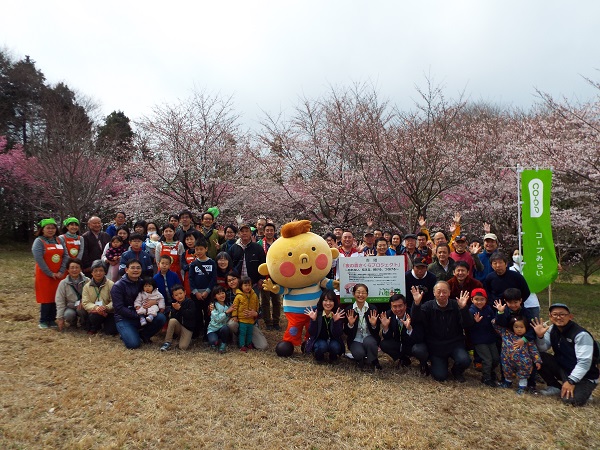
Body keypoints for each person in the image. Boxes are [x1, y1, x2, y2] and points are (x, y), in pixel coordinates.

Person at [532, 304, 599, 406]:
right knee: (538, 357)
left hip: (585, 375)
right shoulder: (552, 329)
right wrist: (540, 336)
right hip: (564, 368)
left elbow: (584, 363)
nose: (558, 317)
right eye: (555, 314)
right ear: (550, 317)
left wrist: (571, 381)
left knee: (571, 401)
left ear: (570, 316)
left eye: (562, 314)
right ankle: (554, 386)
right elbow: (543, 348)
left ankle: (585, 392)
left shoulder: (581, 335)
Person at [410, 281, 473, 382]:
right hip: (436, 346)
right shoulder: (428, 306)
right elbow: (416, 320)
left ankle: (456, 371)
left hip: (454, 344)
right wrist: (417, 304)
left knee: (465, 360)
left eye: (444, 292)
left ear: (449, 292)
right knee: (440, 376)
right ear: (434, 293)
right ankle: (436, 363)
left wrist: (463, 309)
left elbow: (468, 324)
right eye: (438, 292)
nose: (441, 294)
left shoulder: (456, 305)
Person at [112, 259, 167, 349]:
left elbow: (156, 295)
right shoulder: (118, 286)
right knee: (133, 344)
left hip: (143, 314)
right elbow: (119, 308)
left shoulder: (143, 283)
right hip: (124, 318)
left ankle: (144, 334)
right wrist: (137, 314)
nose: (135, 270)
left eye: (138, 268)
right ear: (126, 270)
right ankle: (128, 333)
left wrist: (155, 302)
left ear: (141, 270)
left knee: (161, 317)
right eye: (132, 268)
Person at [493, 314, 542, 395]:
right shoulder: (506, 333)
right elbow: (495, 325)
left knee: (523, 374)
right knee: (507, 371)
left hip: (524, 363)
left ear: (526, 327)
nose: (519, 329)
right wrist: (499, 315)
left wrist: (537, 360)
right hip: (507, 360)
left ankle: (522, 387)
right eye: (516, 327)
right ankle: (507, 383)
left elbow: (534, 350)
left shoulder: (527, 339)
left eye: (522, 327)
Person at [32, 218, 67, 329]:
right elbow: (39, 259)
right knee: (46, 298)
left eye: (53, 228)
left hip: (59, 275)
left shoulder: (59, 240)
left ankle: (52, 319)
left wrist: (61, 271)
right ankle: (43, 320)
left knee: (56, 297)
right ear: (42, 230)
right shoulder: (39, 241)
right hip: (45, 275)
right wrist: (50, 273)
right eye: (48, 228)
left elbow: (65, 255)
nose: (51, 230)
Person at [380, 293, 425, 369]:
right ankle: (403, 359)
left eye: (400, 306)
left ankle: (423, 364)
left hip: (413, 344)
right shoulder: (389, 314)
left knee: (419, 349)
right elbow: (388, 337)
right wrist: (385, 328)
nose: (398, 309)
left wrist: (409, 329)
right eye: (394, 306)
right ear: (391, 307)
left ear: (405, 305)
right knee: (384, 344)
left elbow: (420, 338)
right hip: (400, 344)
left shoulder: (413, 314)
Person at [344, 284, 382, 370]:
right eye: (358, 292)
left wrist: (373, 325)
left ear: (367, 295)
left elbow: (376, 331)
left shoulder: (373, 309)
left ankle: (374, 360)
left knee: (370, 343)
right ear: (353, 294)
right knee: (359, 353)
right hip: (355, 339)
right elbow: (346, 332)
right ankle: (361, 360)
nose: (360, 295)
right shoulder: (349, 310)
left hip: (369, 337)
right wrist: (350, 325)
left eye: (363, 293)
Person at [469, 288, 500, 386]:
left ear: (486, 300)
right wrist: (474, 322)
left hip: (490, 338)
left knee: (495, 358)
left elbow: (493, 321)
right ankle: (486, 378)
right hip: (479, 340)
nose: (479, 302)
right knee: (487, 359)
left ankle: (490, 372)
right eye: (476, 299)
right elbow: (468, 327)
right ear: (472, 300)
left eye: (482, 299)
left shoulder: (488, 309)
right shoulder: (471, 311)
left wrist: (496, 319)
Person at [304, 290, 346, 363]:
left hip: (333, 339)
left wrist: (336, 322)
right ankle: (319, 357)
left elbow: (339, 334)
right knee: (322, 346)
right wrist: (313, 320)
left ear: (335, 302)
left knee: (335, 347)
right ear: (321, 301)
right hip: (319, 339)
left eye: (331, 301)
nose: (328, 303)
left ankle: (333, 357)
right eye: (325, 300)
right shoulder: (316, 312)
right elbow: (312, 333)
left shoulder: (338, 313)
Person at [189, 238, 217, 338]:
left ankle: (207, 332)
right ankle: (197, 331)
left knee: (208, 313)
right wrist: (196, 292)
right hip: (196, 294)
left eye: (201, 249)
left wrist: (207, 291)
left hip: (208, 294)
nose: (199, 251)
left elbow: (213, 279)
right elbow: (191, 279)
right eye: (196, 249)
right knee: (197, 313)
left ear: (206, 249)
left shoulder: (212, 263)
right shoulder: (193, 264)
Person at [228, 223, 266, 292]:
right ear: (239, 234)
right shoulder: (233, 248)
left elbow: (263, 263)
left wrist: (261, 279)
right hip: (237, 284)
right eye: (242, 231)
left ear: (250, 233)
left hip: (254, 284)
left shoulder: (257, 247)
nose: (244, 233)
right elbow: (229, 265)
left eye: (246, 231)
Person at [82, 260, 115, 335]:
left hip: (108, 312)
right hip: (95, 312)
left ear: (105, 272)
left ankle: (104, 325)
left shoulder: (111, 284)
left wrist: (106, 307)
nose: (98, 273)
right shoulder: (87, 286)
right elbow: (85, 303)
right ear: (92, 273)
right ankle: (95, 327)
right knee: (95, 316)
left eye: (101, 270)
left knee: (111, 332)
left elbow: (114, 301)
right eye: (95, 271)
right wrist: (96, 308)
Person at [55, 258, 89, 331]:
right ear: (68, 270)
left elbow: (92, 295)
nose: (74, 270)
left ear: (81, 269)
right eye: (72, 268)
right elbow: (60, 301)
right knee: (68, 314)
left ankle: (84, 323)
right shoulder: (63, 283)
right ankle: (72, 324)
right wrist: (60, 318)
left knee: (81, 310)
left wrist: (84, 302)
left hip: (84, 305)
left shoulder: (87, 281)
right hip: (70, 306)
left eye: (77, 267)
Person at [258, 222, 281, 330]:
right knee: (265, 301)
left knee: (276, 300)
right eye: (267, 230)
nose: (269, 232)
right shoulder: (259, 244)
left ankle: (276, 321)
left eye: (271, 230)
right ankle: (268, 322)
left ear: (274, 231)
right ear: (264, 231)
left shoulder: (280, 244)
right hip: (265, 277)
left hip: (277, 277)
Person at [160, 284, 196, 351]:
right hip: (179, 326)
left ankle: (184, 339)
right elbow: (173, 318)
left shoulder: (190, 302)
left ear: (184, 292)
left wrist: (180, 309)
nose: (179, 296)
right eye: (176, 295)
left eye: (180, 293)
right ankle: (167, 342)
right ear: (173, 297)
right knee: (172, 321)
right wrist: (174, 310)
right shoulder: (175, 304)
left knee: (182, 347)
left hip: (188, 328)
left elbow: (190, 316)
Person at [509, 249, 541, 318]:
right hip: (516, 304)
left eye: (519, 254)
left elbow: (542, 277)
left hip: (532, 303)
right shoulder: (510, 270)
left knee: (534, 325)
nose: (517, 256)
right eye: (515, 254)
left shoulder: (530, 269)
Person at [231, 277, 259, 352]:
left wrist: (256, 313)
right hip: (242, 320)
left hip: (251, 320)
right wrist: (235, 316)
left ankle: (249, 343)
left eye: (249, 285)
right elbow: (235, 307)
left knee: (249, 333)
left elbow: (257, 306)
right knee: (242, 333)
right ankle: (242, 345)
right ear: (241, 286)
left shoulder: (254, 295)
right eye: (245, 285)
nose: (248, 287)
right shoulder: (238, 296)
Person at [206, 286, 233, 353]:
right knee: (213, 341)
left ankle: (223, 343)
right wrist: (227, 312)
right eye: (218, 294)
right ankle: (215, 341)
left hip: (223, 328)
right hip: (213, 329)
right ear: (215, 296)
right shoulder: (213, 306)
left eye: (222, 293)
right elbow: (217, 319)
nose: (221, 295)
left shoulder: (228, 305)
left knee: (225, 328)